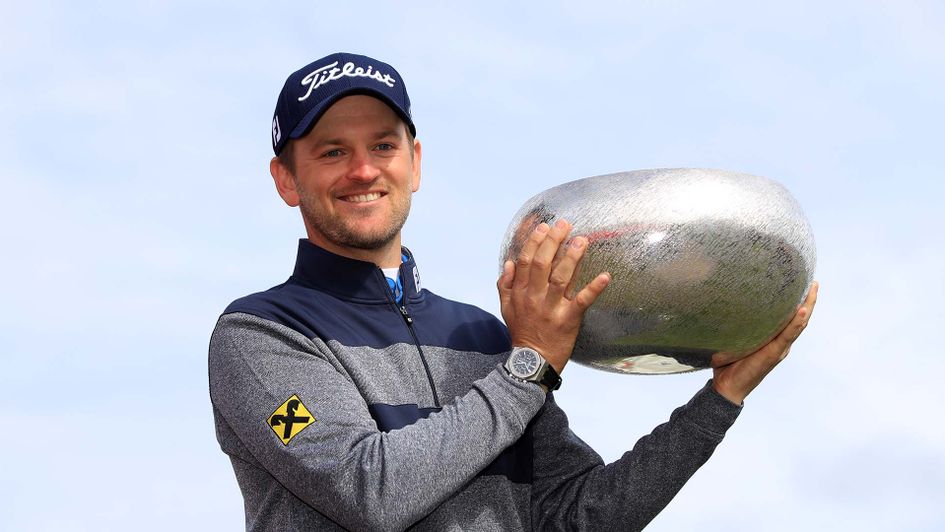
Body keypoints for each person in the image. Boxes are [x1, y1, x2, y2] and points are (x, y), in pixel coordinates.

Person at [209, 52, 818, 532]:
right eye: (332, 152)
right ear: (287, 179)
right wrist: (528, 368)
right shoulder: (261, 336)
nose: (364, 170)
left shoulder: (482, 336)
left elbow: (578, 516)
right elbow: (370, 492)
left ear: (414, 164)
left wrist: (721, 399)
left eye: (383, 146)